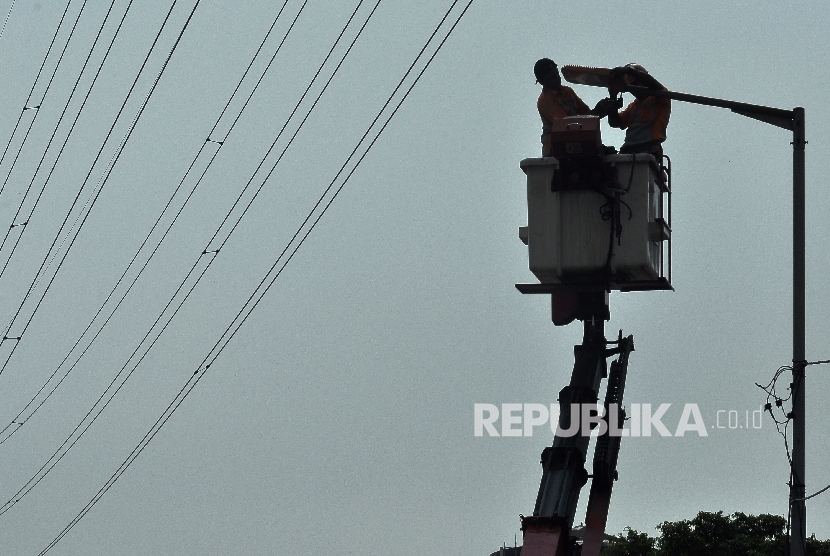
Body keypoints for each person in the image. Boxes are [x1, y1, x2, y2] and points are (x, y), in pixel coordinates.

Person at [600, 64, 670, 158]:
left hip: (648, 148)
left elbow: (653, 83)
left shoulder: (660, 97)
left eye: (637, 84)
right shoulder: (634, 106)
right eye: (631, 86)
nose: (634, 89)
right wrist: (613, 99)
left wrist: (630, 71)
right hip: (628, 149)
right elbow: (615, 123)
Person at [534, 58, 598, 157]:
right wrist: (596, 113)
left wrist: (604, 108)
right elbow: (565, 126)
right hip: (554, 152)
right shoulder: (545, 100)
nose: (557, 78)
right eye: (552, 77)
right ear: (542, 81)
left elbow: (587, 114)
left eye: (556, 74)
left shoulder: (567, 91)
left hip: (573, 145)